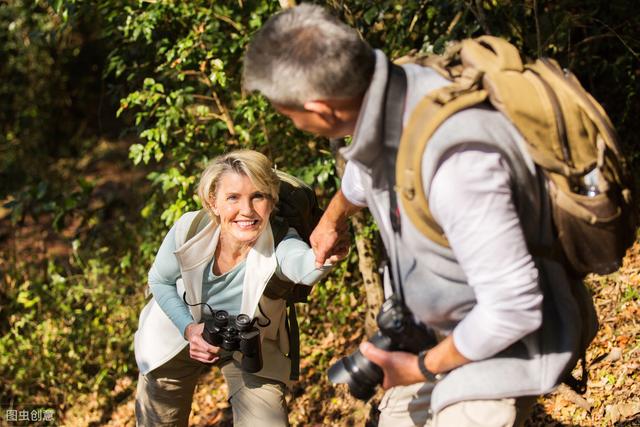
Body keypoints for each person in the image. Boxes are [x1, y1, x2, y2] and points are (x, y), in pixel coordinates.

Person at [243, 5, 598, 427]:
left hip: (496, 352)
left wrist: (423, 367)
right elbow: (364, 172)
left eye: (291, 116)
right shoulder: (397, 89)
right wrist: (332, 219)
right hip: (426, 334)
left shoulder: (456, 163)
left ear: (320, 110)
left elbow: (513, 308)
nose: (297, 125)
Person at [134, 149, 345, 426]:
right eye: (233, 197)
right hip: (176, 334)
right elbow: (159, 280)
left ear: (272, 201)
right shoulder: (190, 229)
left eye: (258, 196)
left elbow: (302, 266)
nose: (246, 210)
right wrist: (189, 328)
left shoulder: (281, 242)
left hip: (249, 344)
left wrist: (324, 256)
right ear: (213, 202)